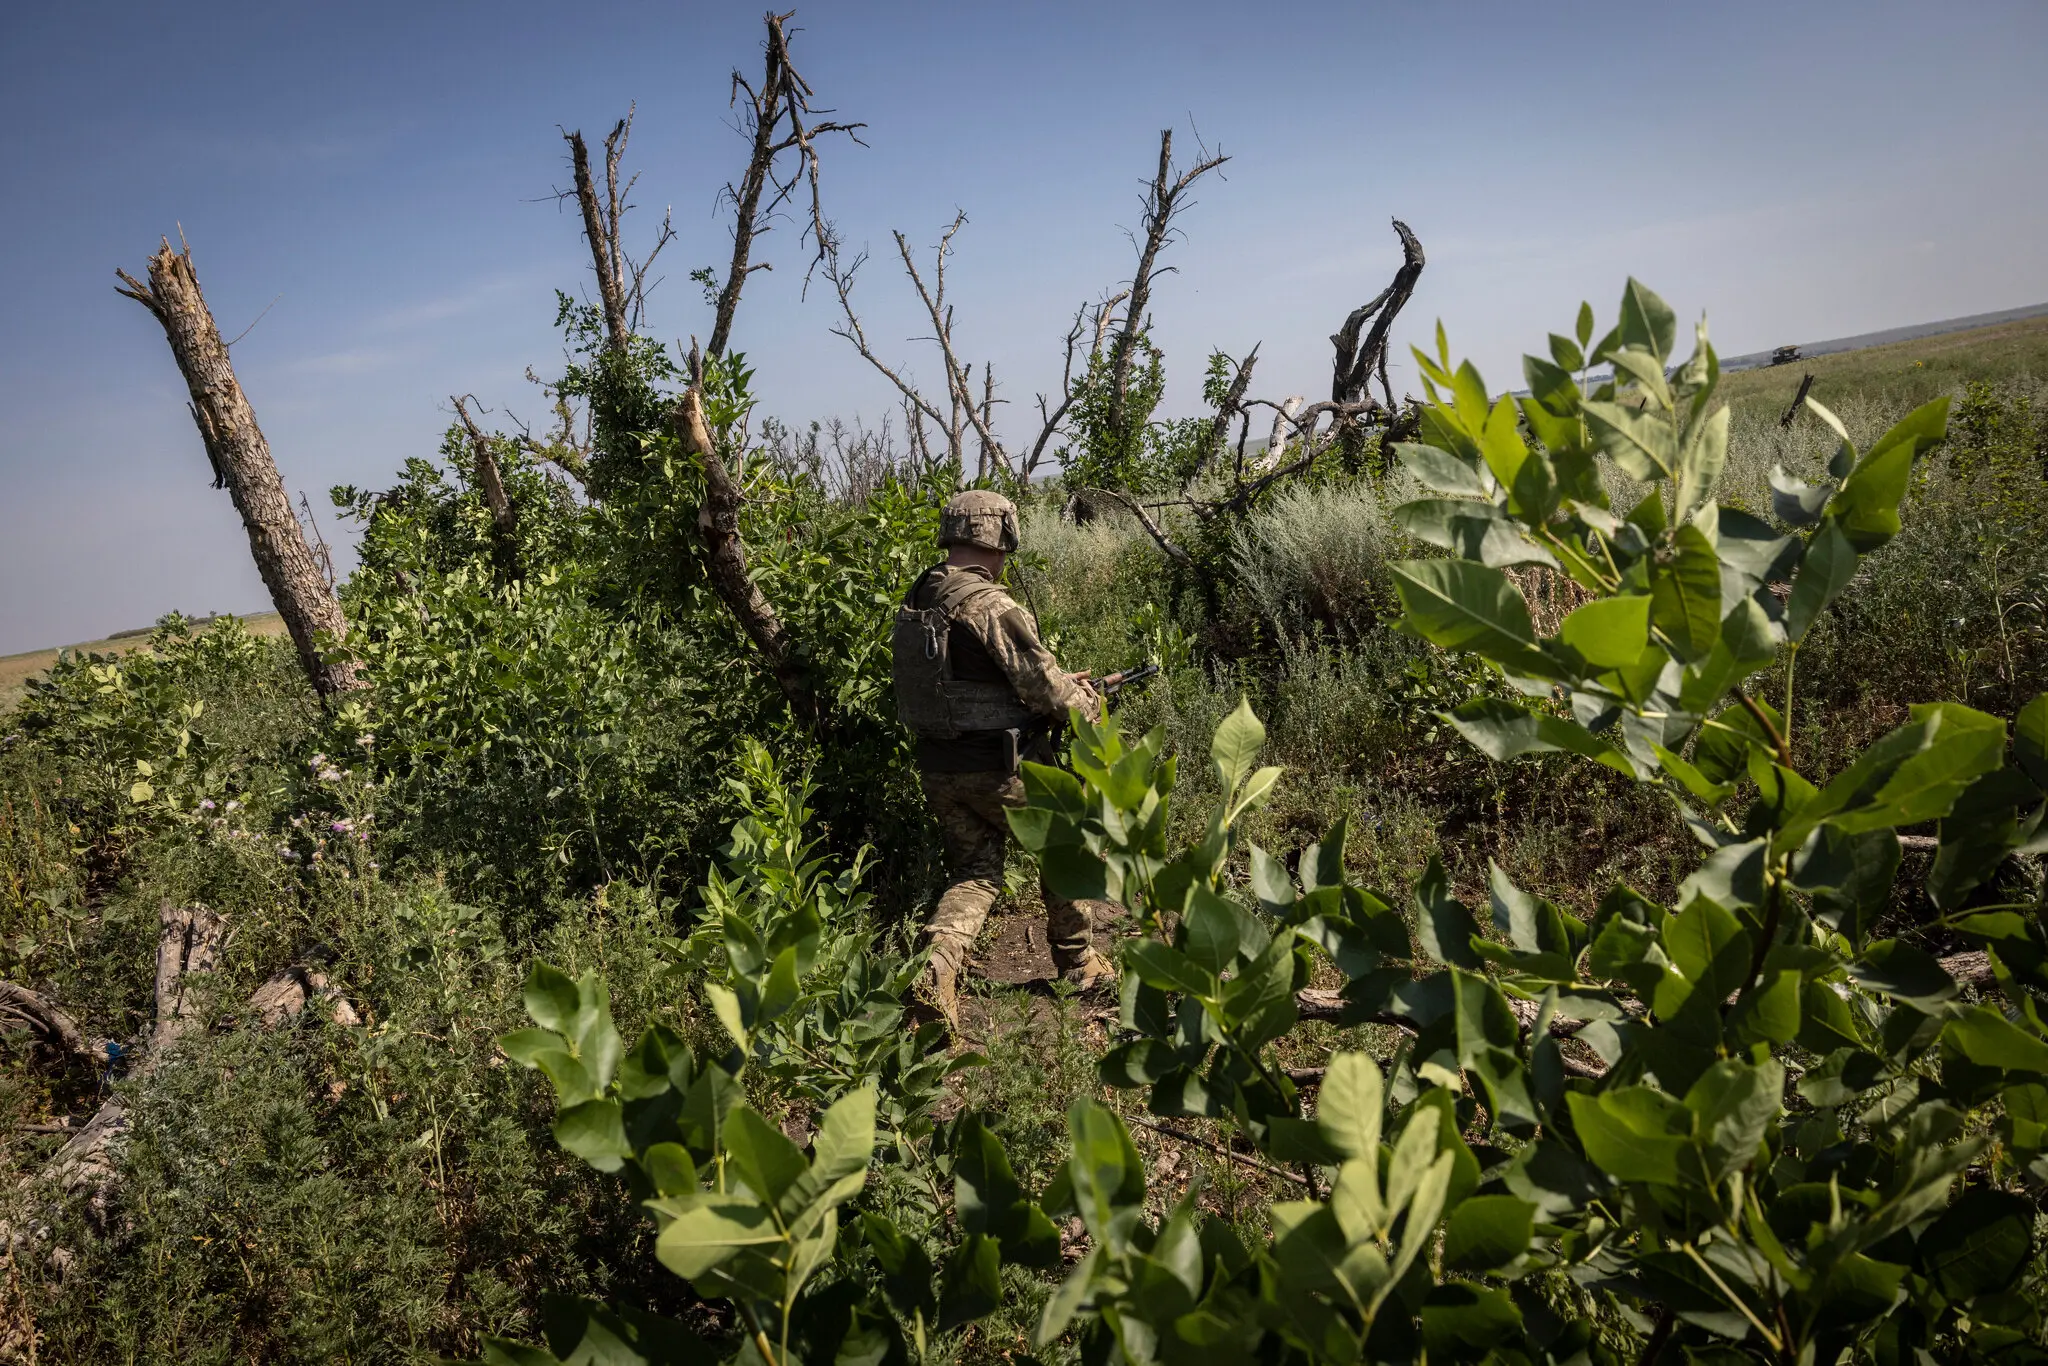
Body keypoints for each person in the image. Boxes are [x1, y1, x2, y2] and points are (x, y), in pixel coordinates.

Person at [891, 489, 1115, 1029]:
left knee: (976, 874)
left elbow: (968, 681)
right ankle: (1079, 964)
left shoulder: (921, 596)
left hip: (940, 767)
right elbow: (1050, 693)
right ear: (1001, 534)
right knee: (1067, 845)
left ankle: (936, 968)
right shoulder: (989, 604)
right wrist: (1090, 704)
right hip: (1000, 767)